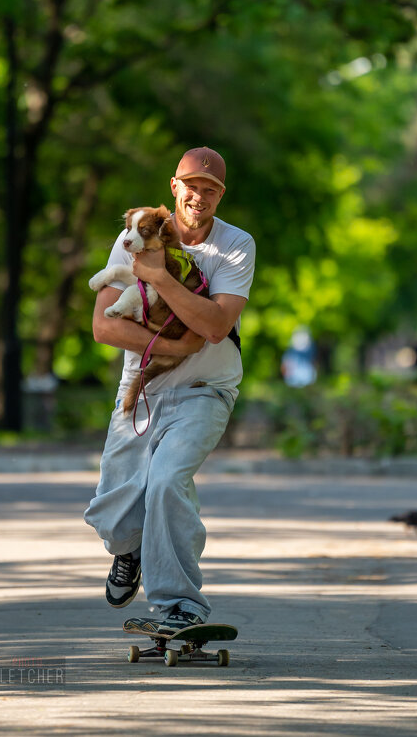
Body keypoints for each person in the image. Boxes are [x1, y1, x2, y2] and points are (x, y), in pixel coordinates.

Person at [84, 146, 255, 634]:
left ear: (220, 196)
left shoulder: (236, 245)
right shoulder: (133, 236)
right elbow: (103, 326)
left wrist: (159, 277)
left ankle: (179, 603)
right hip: (143, 386)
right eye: (191, 187)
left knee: (165, 483)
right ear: (174, 187)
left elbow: (217, 325)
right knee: (114, 506)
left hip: (207, 388)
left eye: (210, 190)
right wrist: (175, 347)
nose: (199, 197)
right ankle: (129, 550)